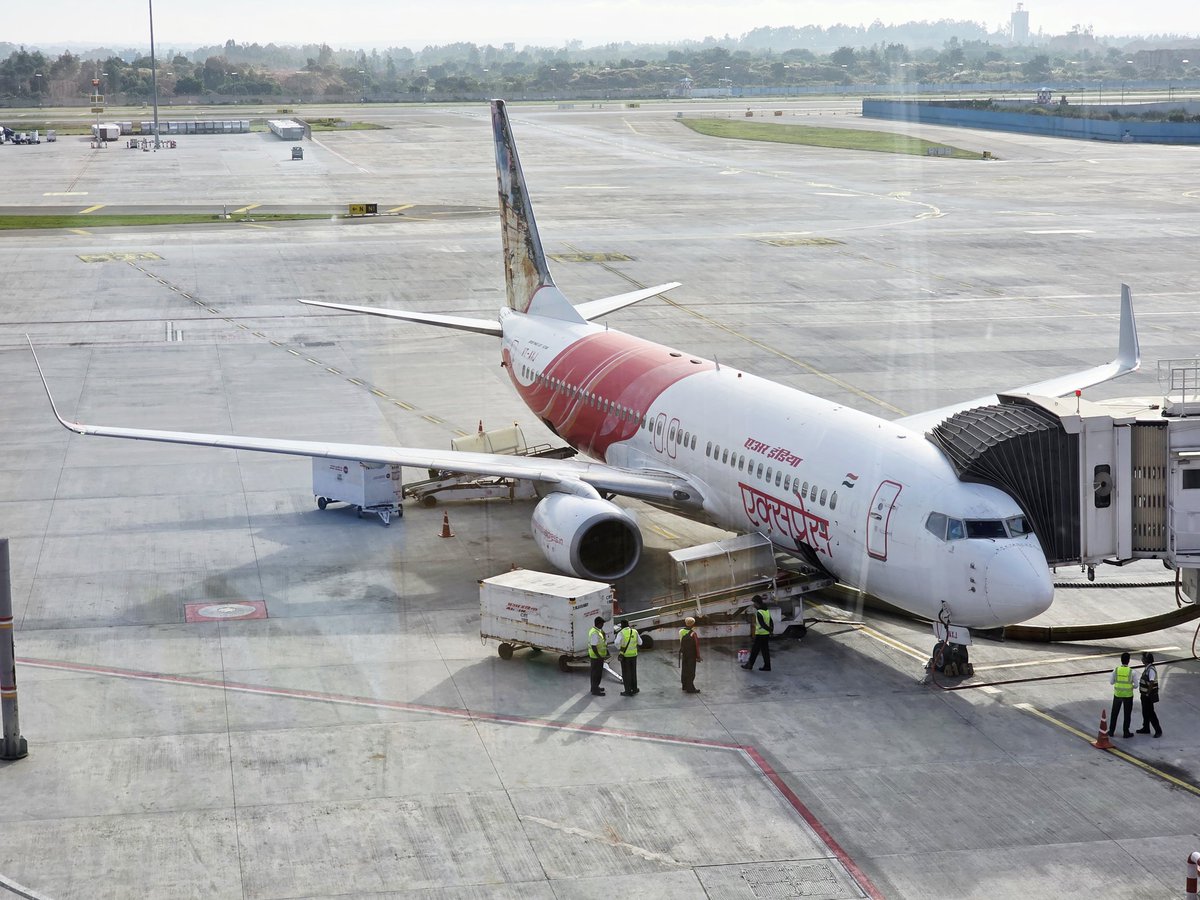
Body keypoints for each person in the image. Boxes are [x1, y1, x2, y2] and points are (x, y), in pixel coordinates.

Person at [741, 595, 772, 671]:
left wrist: (769, 630)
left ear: (757, 603)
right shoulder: (766, 610)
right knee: (765, 651)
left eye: (754, 603)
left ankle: (749, 665)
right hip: (766, 635)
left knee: (754, 650)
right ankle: (767, 666)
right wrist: (771, 630)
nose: (753, 605)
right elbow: (771, 621)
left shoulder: (759, 612)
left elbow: (762, 624)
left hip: (760, 635)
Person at [1108, 651, 1135, 738]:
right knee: (1127, 714)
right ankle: (1126, 732)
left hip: (1118, 695)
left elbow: (1111, 682)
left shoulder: (1116, 670)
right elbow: (1137, 685)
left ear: (1121, 660)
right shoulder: (1132, 672)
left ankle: (1111, 731)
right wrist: (1131, 686)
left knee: (1114, 713)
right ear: (1129, 661)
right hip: (1128, 696)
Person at [1136, 651, 1163, 738]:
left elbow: (1151, 682)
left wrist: (1147, 693)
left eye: (1143, 658)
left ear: (1146, 660)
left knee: (1151, 713)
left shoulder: (1151, 670)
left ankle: (1158, 730)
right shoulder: (1148, 668)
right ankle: (1146, 728)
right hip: (1144, 695)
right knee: (1145, 712)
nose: (1142, 659)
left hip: (1148, 695)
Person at [616, 618, 641, 696]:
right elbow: (640, 642)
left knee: (626, 674)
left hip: (625, 656)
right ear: (628, 624)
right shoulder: (635, 631)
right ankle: (634, 689)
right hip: (634, 655)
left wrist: (619, 647)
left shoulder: (621, 633)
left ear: (622, 625)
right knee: (633, 672)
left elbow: (616, 643)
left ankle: (627, 691)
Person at [679, 616, 701, 693]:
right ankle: (690, 688)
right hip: (691, 654)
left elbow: (681, 641)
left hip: (684, 653)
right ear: (693, 624)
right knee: (691, 671)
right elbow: (696, 646)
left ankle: (684, 686)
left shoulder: (681, 631)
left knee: (684, 669)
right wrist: (698, 656)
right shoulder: (693, 634)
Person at [587, 616, 608, 696]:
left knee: (596, 673)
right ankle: (595, 690)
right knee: (596, 673)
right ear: (598, 624)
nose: (603, 625)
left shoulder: (597, 631)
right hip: (596, 657)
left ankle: (595, 687)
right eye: (602, 624)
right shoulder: (595, 633)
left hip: (598, 656)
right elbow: (593, 646)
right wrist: (599, 656)